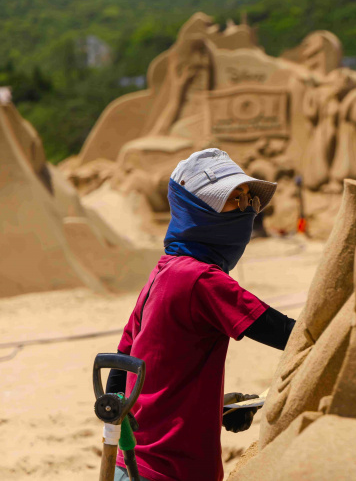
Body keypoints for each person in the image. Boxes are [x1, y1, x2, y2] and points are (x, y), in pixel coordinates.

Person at [106, 148, 296, 481]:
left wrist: (207, 407)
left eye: (247, 199)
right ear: (198, 207)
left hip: (135, 462)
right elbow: (285, 334)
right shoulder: (200, 279)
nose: (245, 209)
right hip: (171, 470)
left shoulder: (164, 271)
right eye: (233, 198)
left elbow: (123, 365)